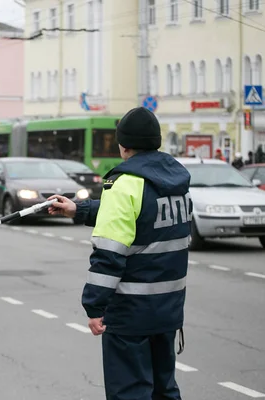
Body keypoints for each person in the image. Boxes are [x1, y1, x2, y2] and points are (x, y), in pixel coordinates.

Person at [48, 107, 191, 400]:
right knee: (164, 390)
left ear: (123, 145)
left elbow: (109, 254)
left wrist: (94, 307)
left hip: (130, 314)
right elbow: (141, 218)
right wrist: (80, 208)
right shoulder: (175, 182)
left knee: (130, 393)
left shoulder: (125, 183)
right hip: (167, 310)